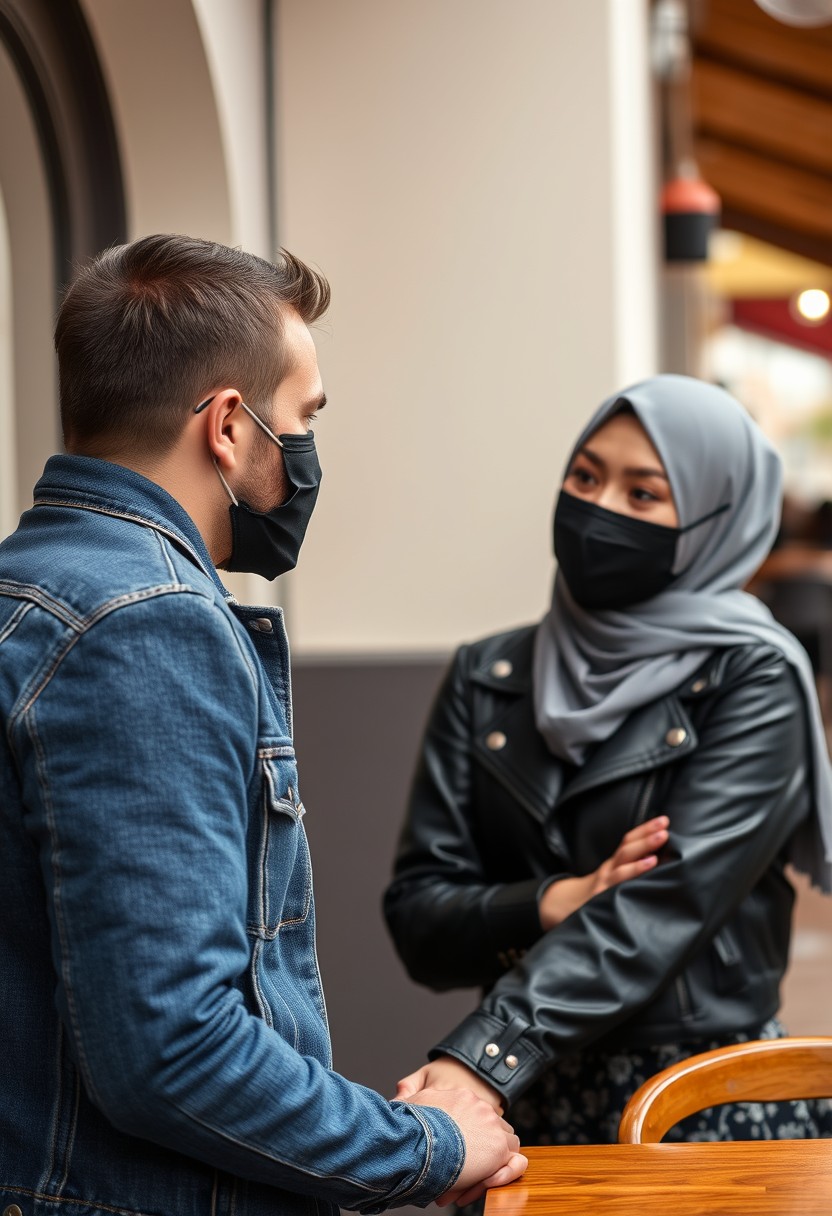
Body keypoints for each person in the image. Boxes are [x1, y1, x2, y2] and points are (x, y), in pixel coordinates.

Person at [0, 234, 526, 1216]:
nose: (311, 451)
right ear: (231, 426)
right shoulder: (143, 625)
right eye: (307, 415)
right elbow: (172, 1047)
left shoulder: (29, 589)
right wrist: (426, 1144)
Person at [384, 374, 832, 1147]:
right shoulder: (488, 675)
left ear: (711, 521)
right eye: (586, 476)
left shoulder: (753, 676)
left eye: (644, 494)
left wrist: (485, 1056)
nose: (599, 511)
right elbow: (419, 918)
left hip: (700, 1103)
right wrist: (552, 900)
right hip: (529, 1107)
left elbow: (663, 907)